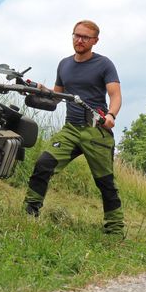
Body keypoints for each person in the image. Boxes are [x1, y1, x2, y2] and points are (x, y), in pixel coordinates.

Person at [24, 20, 124, 236]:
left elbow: (115, 95)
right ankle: (30, 213)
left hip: (95, 130)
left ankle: (115, 230)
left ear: (95, 41)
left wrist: (111, 115)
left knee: (105, 182)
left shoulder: (104, 64)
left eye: (85, 37)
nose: (79, 40)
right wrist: (39, 90)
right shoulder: (64, 64)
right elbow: (56, 95)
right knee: (43, 164)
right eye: (76, 35)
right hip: (70, 130)